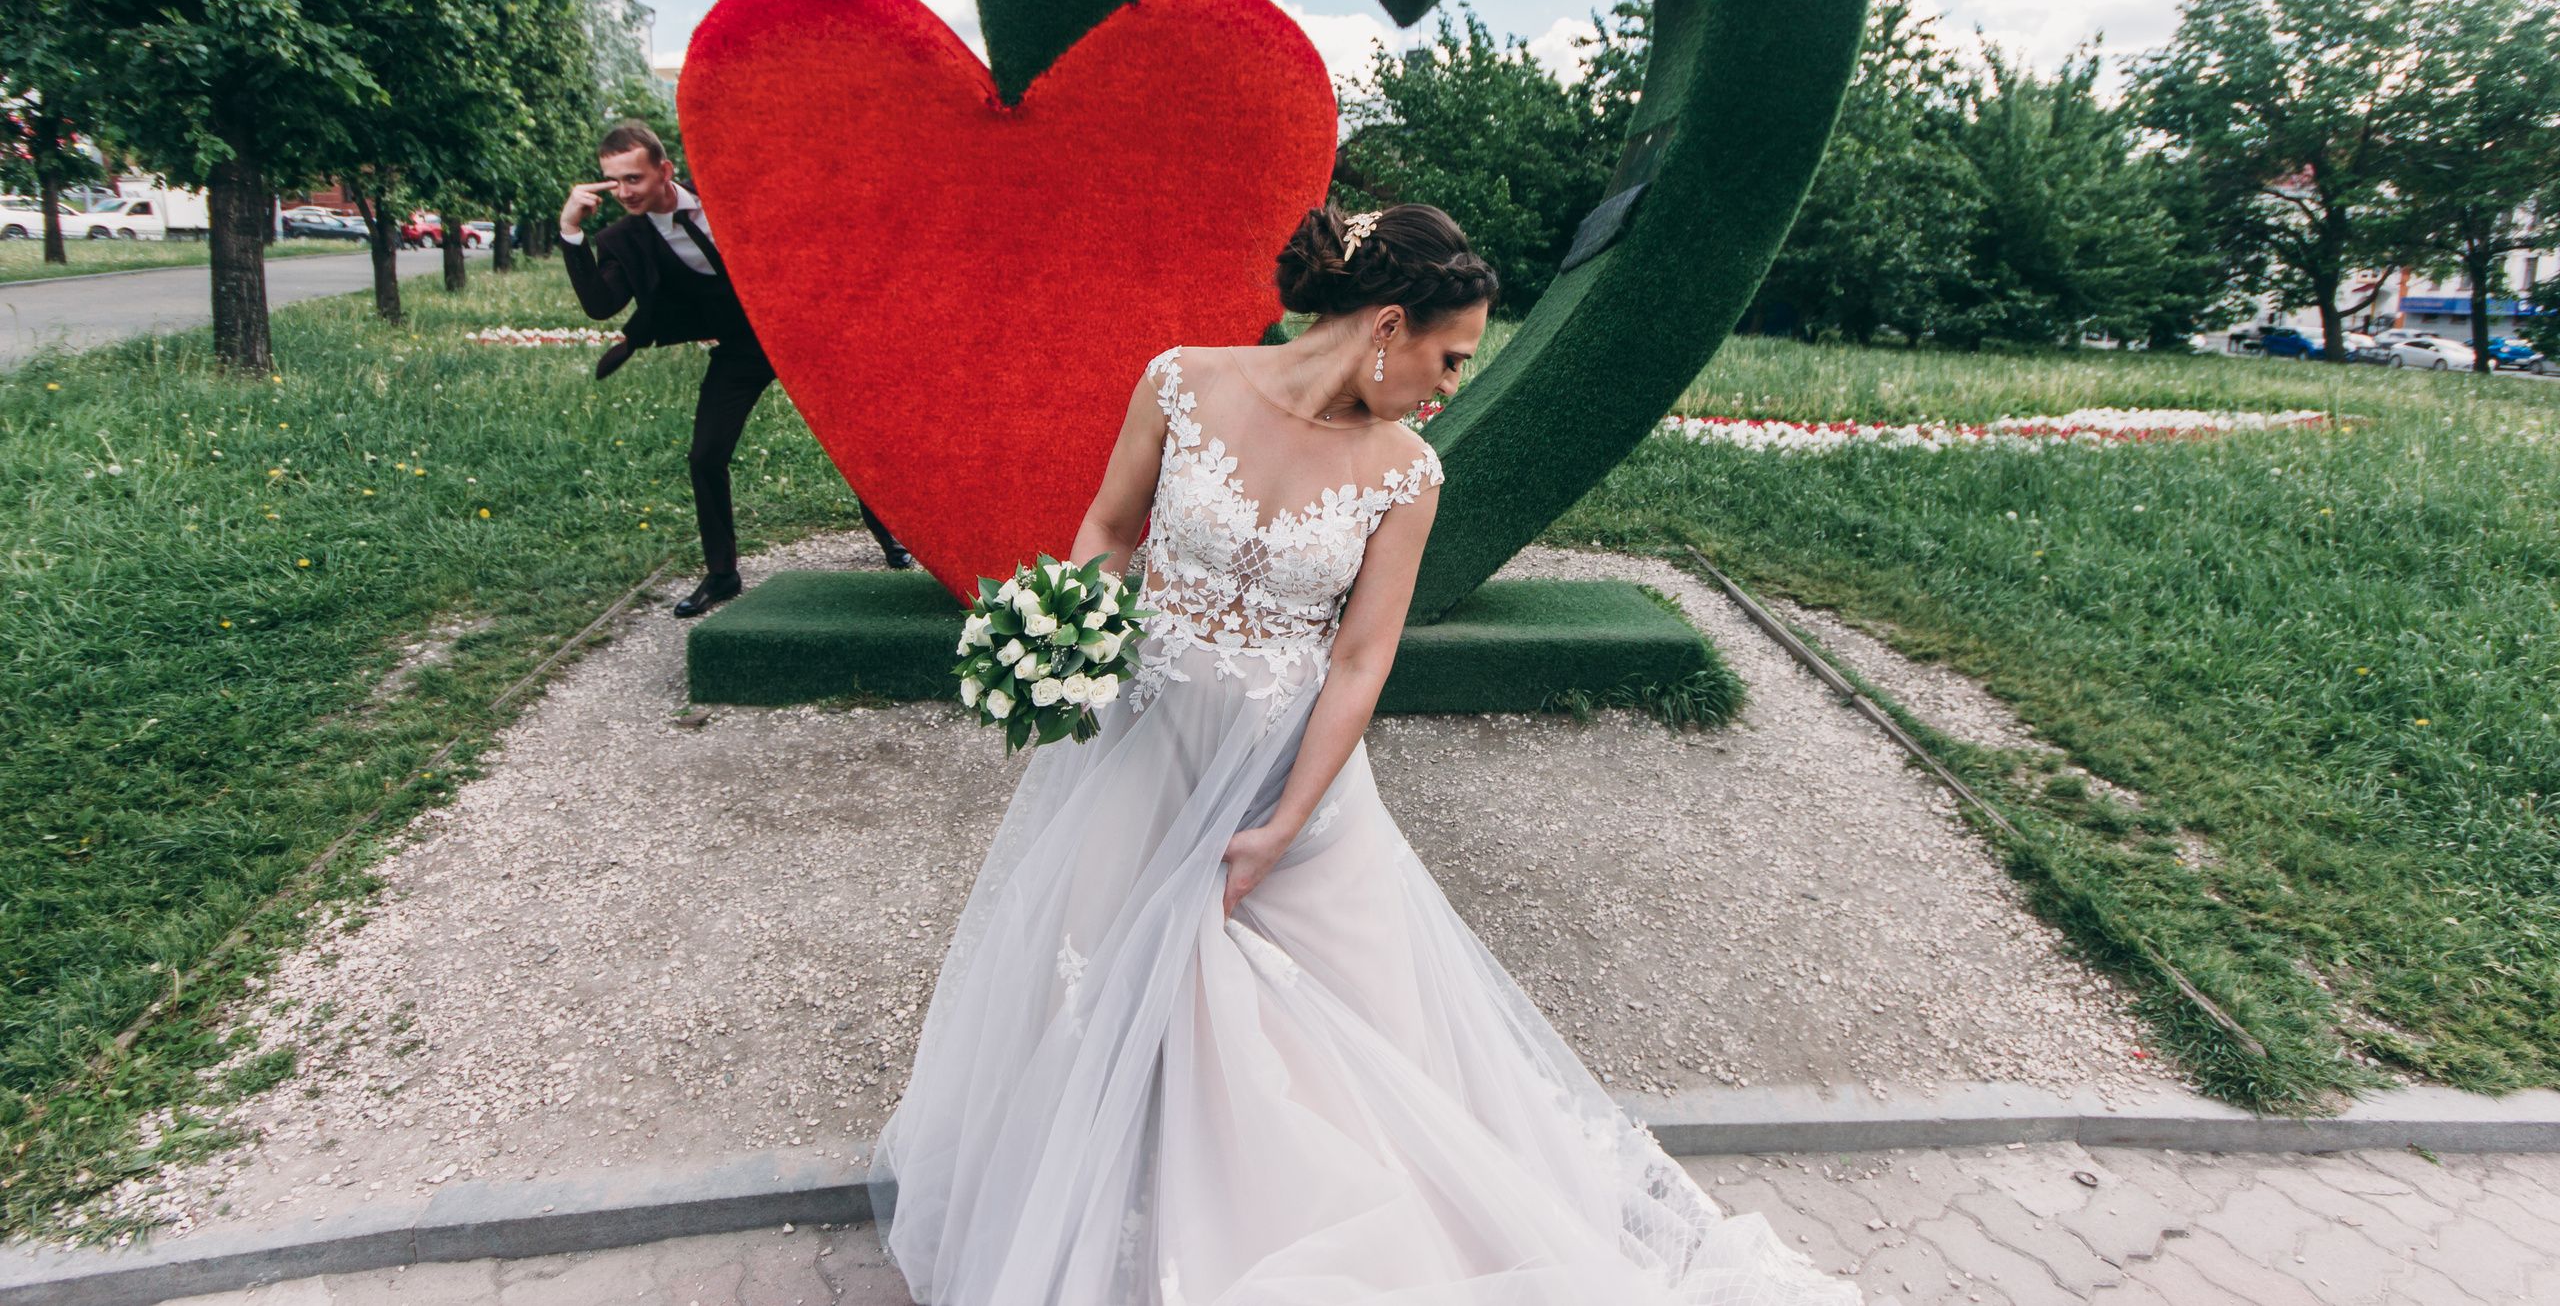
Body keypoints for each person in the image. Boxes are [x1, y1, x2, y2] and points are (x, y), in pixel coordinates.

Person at [871, 204, 1853, 1304]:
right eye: (1448, 357)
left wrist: (1283, 826)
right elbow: (1109, 528)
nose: (1447, 386)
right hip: (1144, 745)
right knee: (1098, 973)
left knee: (1331, 1041)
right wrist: (1071, 633)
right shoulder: (1181, 384)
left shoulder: (1405, 472)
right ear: (1387, 324)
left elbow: (1358, 662)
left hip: (1293, 777)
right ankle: (1104, 1233)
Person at [558, 121, 911, 617]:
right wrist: (570, 231)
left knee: (854, 437)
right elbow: (600, 304)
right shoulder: (623, 238)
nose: (622, 192)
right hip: (742, 348)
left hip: (800, 331)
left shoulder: (725, 192)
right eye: (612, 181)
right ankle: (723, 574)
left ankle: (890, 533)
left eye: (633, 179)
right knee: (705, 454)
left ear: (665, 170)